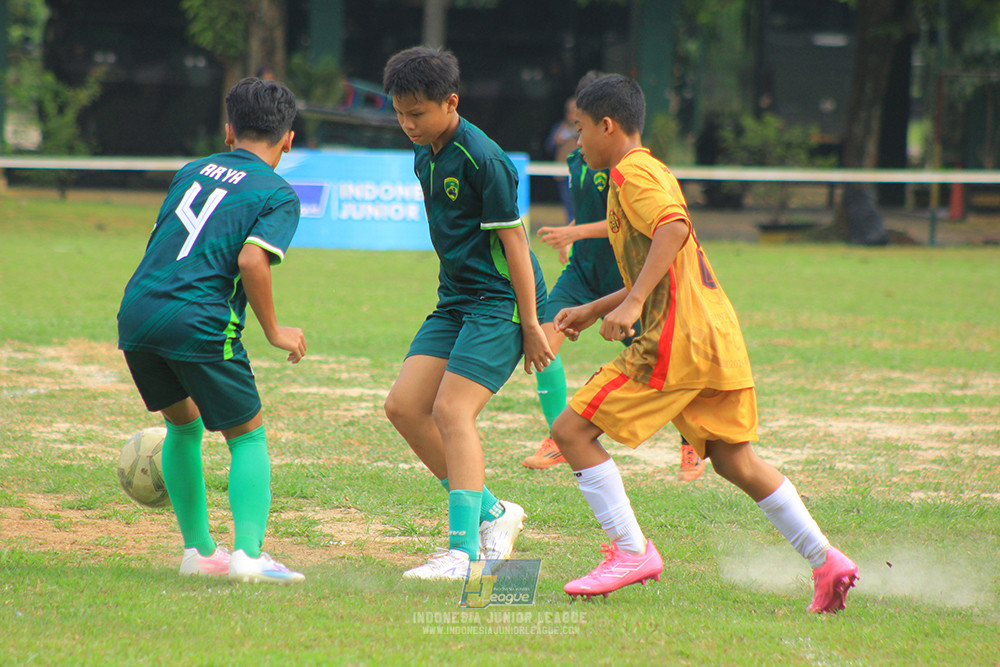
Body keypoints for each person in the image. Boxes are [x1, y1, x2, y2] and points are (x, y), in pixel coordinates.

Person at [550, 73, 858, 613]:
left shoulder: (633, 173)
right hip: (714, 334)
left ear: (607, 125)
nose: (576, 142)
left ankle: (630, 551)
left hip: (678, 339)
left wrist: (628, 307)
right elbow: (661, 261)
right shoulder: (646, 172)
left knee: (571, 430)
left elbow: (674, 230)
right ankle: (826, 559)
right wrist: (598, 306)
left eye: (579, 129)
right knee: (735, 461)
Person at [117, 77, 306, 585]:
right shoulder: (277, 193)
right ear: (288, 139)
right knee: (248, 435)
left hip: (137, 312)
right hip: (197, 318)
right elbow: (251, 260)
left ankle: (199, 552)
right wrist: (273, 330)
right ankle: (247, 557)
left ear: (229, 132)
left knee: (184, 425)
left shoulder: (191, 170)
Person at [381, 46, 554, 581]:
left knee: (453, 411)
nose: (407, 124)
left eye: (418, 113)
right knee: (405, 407)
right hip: (455, 298)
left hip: (500, 300)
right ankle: (495, 514)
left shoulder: (486, 159)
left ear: (450, 102)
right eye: (400, 112)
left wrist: (530, 325)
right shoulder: (423, 151)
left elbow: (518, 246)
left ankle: (464, 554)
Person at [524, 72, 705, 483]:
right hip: (581, 272)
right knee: (544, 344)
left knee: (661, 365)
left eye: (581, 123)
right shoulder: (578, 160)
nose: (577, 130)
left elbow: (625, 222)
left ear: (604, 122)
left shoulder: (627, 167)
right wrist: (575, 233)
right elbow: (591, 212)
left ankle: (691, 441)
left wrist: (576, 231)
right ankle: (558, 437)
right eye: (574, 122)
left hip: (623, 279)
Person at [545, 96, 580, 225]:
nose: (571, 115)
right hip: (562, 172)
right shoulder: (560, 127)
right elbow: (548, 147)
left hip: (579, 171)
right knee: (568, 203)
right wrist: (556, 140)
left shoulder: (585, 128)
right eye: (569, 111)